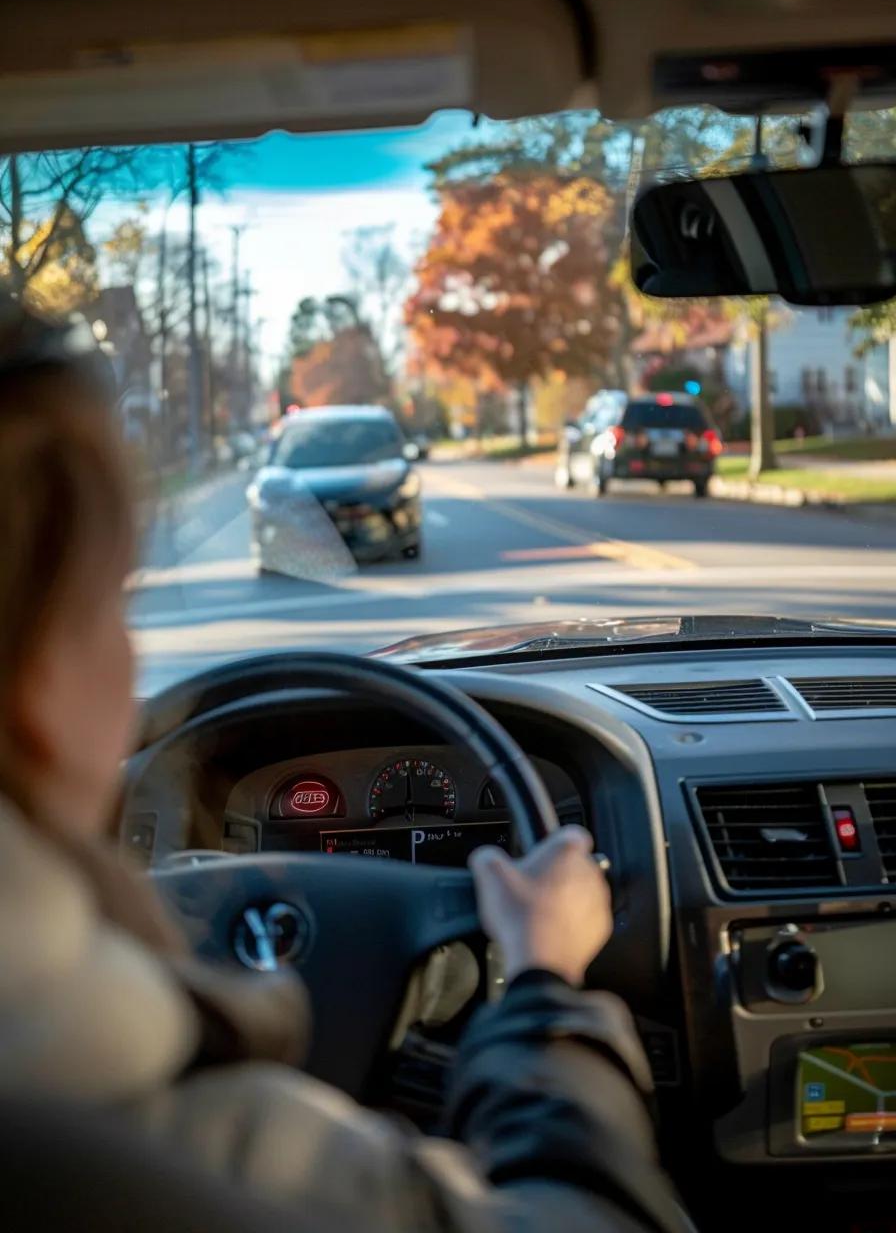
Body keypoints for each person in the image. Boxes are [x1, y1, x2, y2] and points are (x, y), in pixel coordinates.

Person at [0, 299, 693, 1232]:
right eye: (109, 610)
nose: (129, 673)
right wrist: (541, 980)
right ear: (36, 680)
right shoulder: (162, 1137)